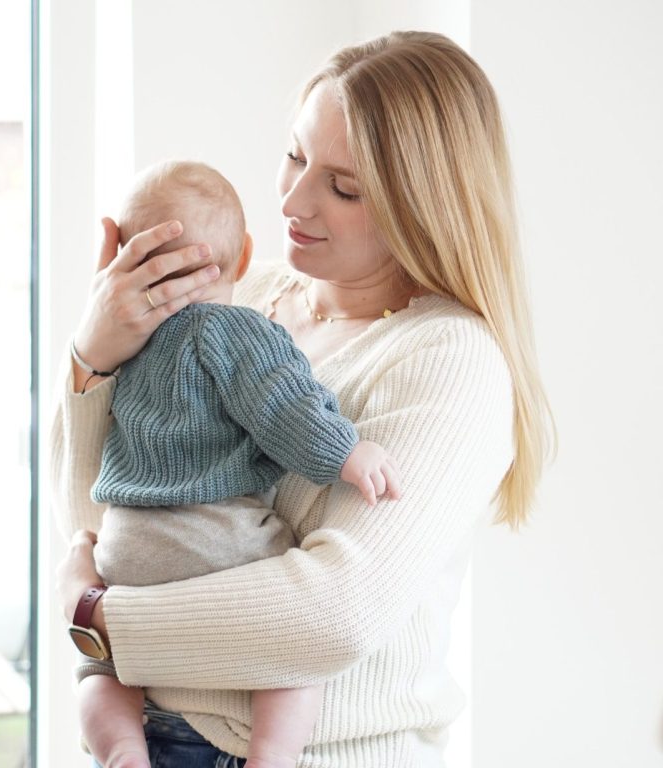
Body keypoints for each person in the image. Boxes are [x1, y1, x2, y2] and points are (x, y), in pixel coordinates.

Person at [53, 30, 554, 768]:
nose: (291, 198)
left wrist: (98, 620)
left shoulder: (450, 359)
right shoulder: (242, 304)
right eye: (294, 155)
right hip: (145, 734)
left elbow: (331, 615)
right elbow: (109, 521)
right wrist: (93, 359)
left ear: (422, 205)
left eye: (343, 187)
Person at [72, 158, 402, 768]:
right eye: (296, 158)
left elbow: (87, 481)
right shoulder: (238, 330)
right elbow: (283, 407)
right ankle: (272, 756)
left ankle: (120, 748)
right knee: (294, 659)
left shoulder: (132, 345)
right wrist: (346, 452)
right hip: (211, 538)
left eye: (343, 185)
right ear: (244, 257)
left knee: (99, 664)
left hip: (123, 545)